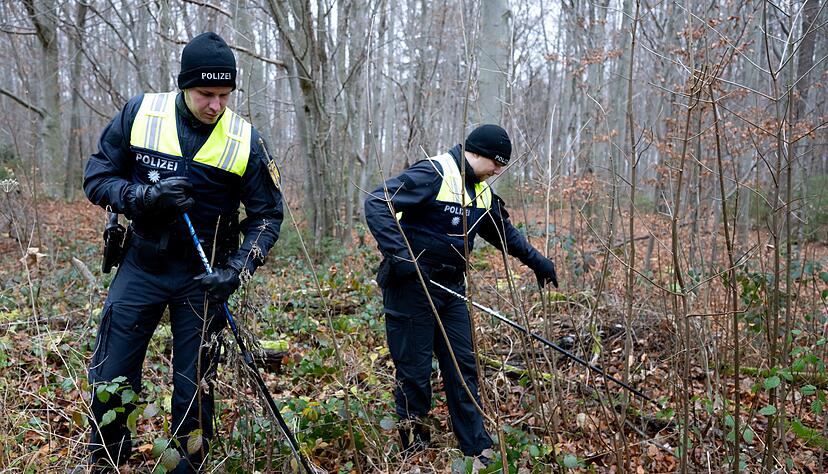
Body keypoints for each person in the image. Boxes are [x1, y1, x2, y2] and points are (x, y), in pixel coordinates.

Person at [82, 32, 283, 472]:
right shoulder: (141, 114)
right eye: (205, 94)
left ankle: (185, 469)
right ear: (183, 84)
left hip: (204, 277)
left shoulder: (246, 140)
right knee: (112, 376)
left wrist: (237, 271)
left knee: (194, 387)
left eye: (225, 95)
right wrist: (145, 198)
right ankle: (107, 462)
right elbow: (97, 178)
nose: (216, 105)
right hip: (142, 264)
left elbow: (268, 217)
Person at [363, 124, 558, 463]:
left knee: (462, 366)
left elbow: (504, 234)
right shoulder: (434, 172)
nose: (499, 170)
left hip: (451, 289)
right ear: (478, 152)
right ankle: (415, 449)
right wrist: (402, 256)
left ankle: (475, 447)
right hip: (411, 287)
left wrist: (539, 262)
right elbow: (377, 202)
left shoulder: (481, 191)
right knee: (415, 372)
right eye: (497, 163)